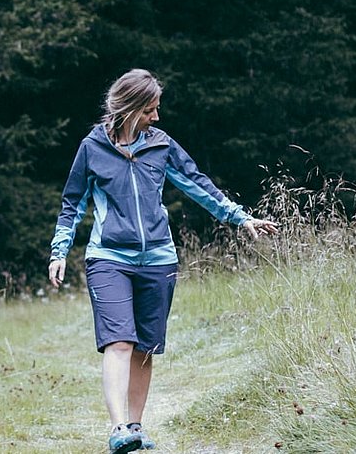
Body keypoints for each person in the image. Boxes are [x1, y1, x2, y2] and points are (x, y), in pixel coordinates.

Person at [48, 68, 279, 453]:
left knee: (144, 347)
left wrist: (241, 217)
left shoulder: (161, 145)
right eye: (149, 110)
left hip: (158, 259)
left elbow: (198, 184)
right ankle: (118, 428)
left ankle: (135, 429)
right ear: (129, 108)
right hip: (108, 257)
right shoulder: (92, 147)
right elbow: (73, 204)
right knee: (119, 342)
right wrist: (59, 251)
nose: (156, 117)